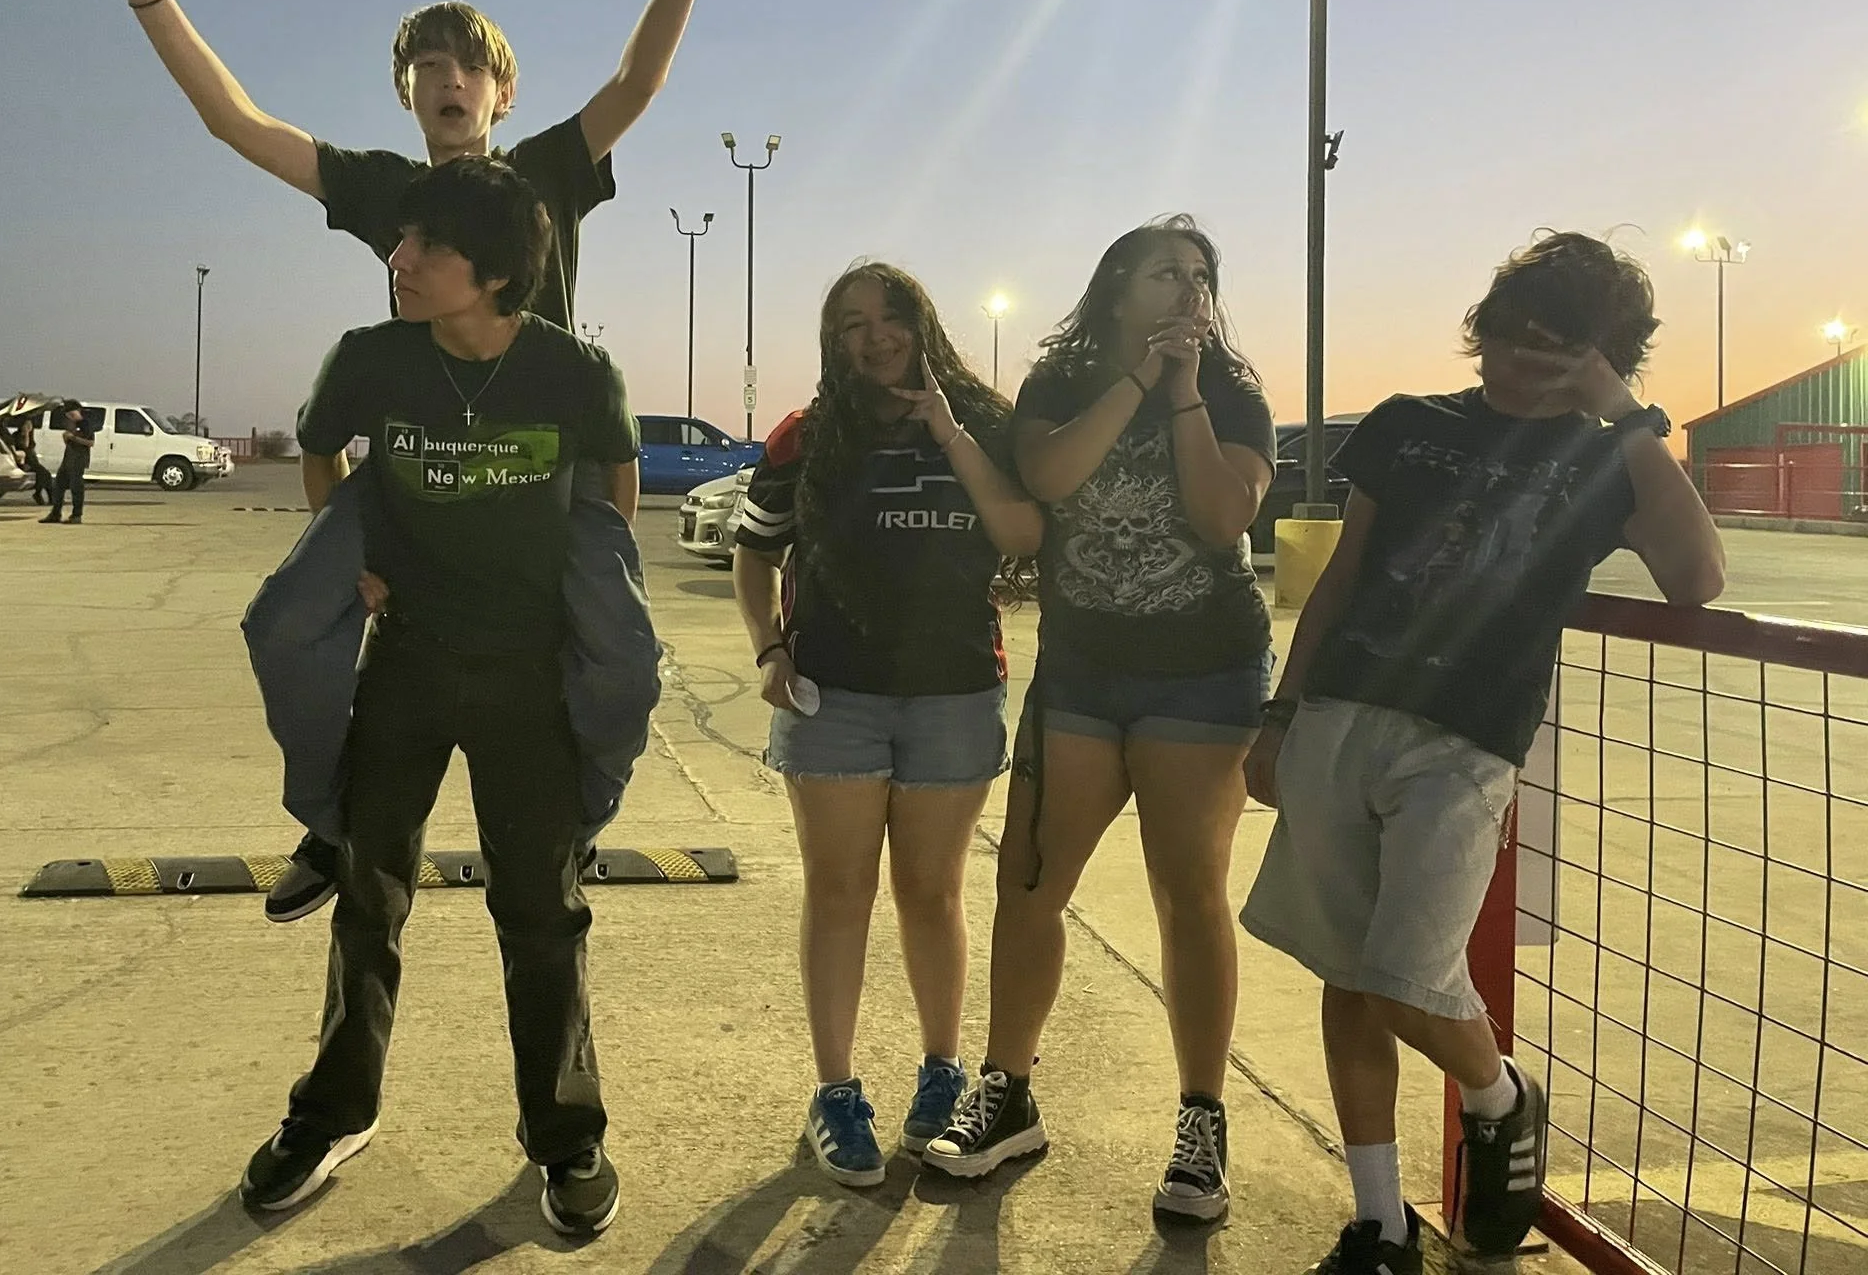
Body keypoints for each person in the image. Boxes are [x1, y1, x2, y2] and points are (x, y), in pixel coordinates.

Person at [46, 0, 737, 920]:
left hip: (540, 462)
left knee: (619, 648)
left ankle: (577, 819)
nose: (446, 79)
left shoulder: (548, 170)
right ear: (407, 96)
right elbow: (237, 124)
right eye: (425, 69)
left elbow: (636, 82)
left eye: (467, 65)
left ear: (502, 91)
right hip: (419, 453)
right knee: (288, 619)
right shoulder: (385, 191)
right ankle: (332, 823)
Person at [1238, 233, 1726, 1273]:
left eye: (1551, 347)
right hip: (1343, 713)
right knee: (1345, 976)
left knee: (1404, 977)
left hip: (1467, 741)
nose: (1515, 360)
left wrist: (1626, 414)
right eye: (1506, 334)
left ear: (1599, 354)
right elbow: (1342, 578)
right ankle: (1379, 1222)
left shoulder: (1604, 459)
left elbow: (1696, 579)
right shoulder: (1406, 423)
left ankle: (1498, 1093)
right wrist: (1280, 715)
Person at [240, 156, 640, 1233]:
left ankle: (565, 1133)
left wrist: (588, 595)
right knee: (368, 896)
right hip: (406, 661)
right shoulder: (372, 357)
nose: (399, 258)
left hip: (527, 673)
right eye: (401, 240)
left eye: (426, 245)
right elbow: (320, 453)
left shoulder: (574, 372)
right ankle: (333, 1113)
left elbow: (615, 483)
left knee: (541, 911)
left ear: (495, 271)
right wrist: (355, 558)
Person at [923, 215, 1277, 1226]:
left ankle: (1201, 1122)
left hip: (1201, 674)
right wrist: (1136, 380)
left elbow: (1224, 518)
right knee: (1030, 878)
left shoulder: (1232, 392)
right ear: (1117, 287)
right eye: (1166, 272)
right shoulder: (1063, 380)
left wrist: (1184, 393)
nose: (1188, 290)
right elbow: (1049, 478)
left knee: (1187, 891)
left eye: (1201, 276)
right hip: (1082, 671)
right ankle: (1007, 1093)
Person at [732, 264, 1042, 1187]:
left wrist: (946, 430)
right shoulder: (806, 436)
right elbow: (754, 554)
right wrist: (770, 650)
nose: (876, 337)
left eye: (891, 316)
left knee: (932, 891)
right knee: (839, 892)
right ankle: (835, 1092)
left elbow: (1023, 535)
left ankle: (942, 1073)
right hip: (834, 698)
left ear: (922, 322)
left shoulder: (982, 423)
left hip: (954, 695)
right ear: (834, 341)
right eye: (853, 323)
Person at [41, 400, 94, 524]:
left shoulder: (85, 424)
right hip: (68, 459)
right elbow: (69, 442)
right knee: (58, 485)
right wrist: (66, 438)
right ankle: (55, 513)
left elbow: (90, 442)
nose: (69, 417)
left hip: (79, 460)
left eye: (71, 414)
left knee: (76, 487)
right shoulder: (71, 424)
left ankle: (76, 515)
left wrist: (73, 437)